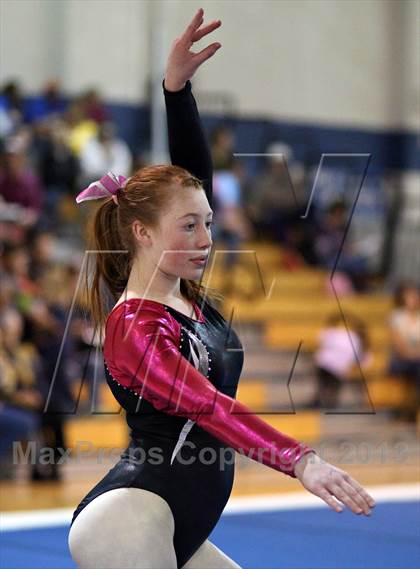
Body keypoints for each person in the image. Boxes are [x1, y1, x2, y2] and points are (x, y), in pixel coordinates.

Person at [68, 10, 375, 569]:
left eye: (208, 223)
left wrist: (176, 90)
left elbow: (191, 186)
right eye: (190, 227)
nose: (206, 238)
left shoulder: (186, 296)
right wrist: (299, 459)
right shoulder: (134, 326)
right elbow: (206, 405)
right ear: (141, 233)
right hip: (130, 517)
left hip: (181, 523)